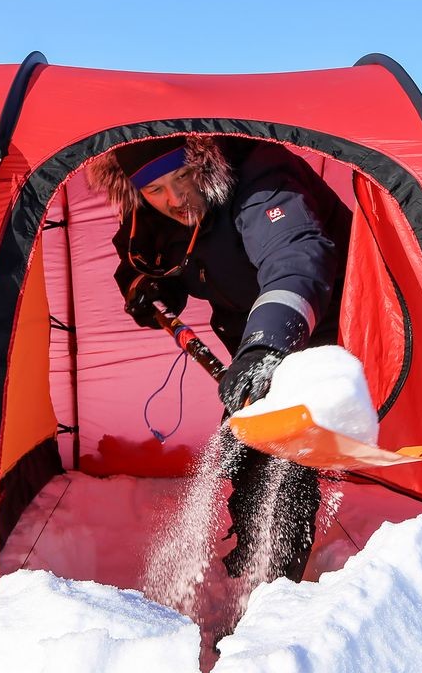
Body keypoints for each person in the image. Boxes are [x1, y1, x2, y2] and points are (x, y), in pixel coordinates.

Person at [89, 134, 351, 582]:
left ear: (204, 166)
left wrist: (268, 344)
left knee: (284, 459)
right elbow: (146, 258)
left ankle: (273, 591)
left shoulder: (261, 178)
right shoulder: (155, 211)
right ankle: (250, 563)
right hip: (248, 338)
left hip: (312, 321)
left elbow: (296, 255)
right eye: (154, 190)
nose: (174, 198)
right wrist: (144, 290)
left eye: (184, 176)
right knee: (248, 446)